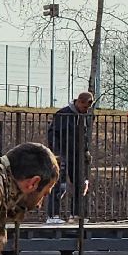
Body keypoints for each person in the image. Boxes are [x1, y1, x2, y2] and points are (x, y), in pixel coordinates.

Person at [45, 91, 94, 223]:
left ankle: (76, 214)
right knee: (58, 184)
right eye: (85, 107)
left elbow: (85, 136)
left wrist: (86, 151)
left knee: (79, 184)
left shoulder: (86, 115)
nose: (86, 110)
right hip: (63, 153)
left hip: (77, 154)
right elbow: (53, 134)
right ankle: (52, 215)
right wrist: (56, 152)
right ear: (79, 102)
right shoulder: (63, 114)